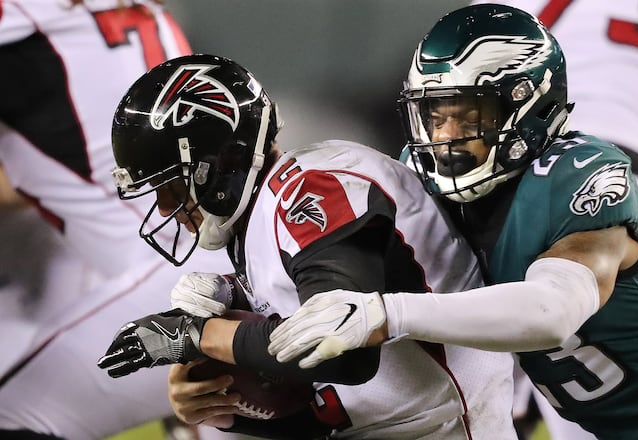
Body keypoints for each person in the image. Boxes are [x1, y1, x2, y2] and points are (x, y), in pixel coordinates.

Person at [266, 5, 638, 439]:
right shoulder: (422, 183)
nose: (445, 138)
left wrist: (387, 313)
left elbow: (553, 310)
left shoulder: (577, 171)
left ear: (528, 108)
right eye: (434, 115)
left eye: (468, 117)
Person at [96, 53, 518, 439]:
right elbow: (332, 400)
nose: (166, 206)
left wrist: (197, 336)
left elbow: (344, 352)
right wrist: (219, 403)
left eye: (173, 184)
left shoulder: (315, 189)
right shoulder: (261, 214)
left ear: (226, 159)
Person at [0, 1, 236, 439]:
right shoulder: (132, 13)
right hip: (239, 257)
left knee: (12, 415)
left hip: (175, 277)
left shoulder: (25, 26)